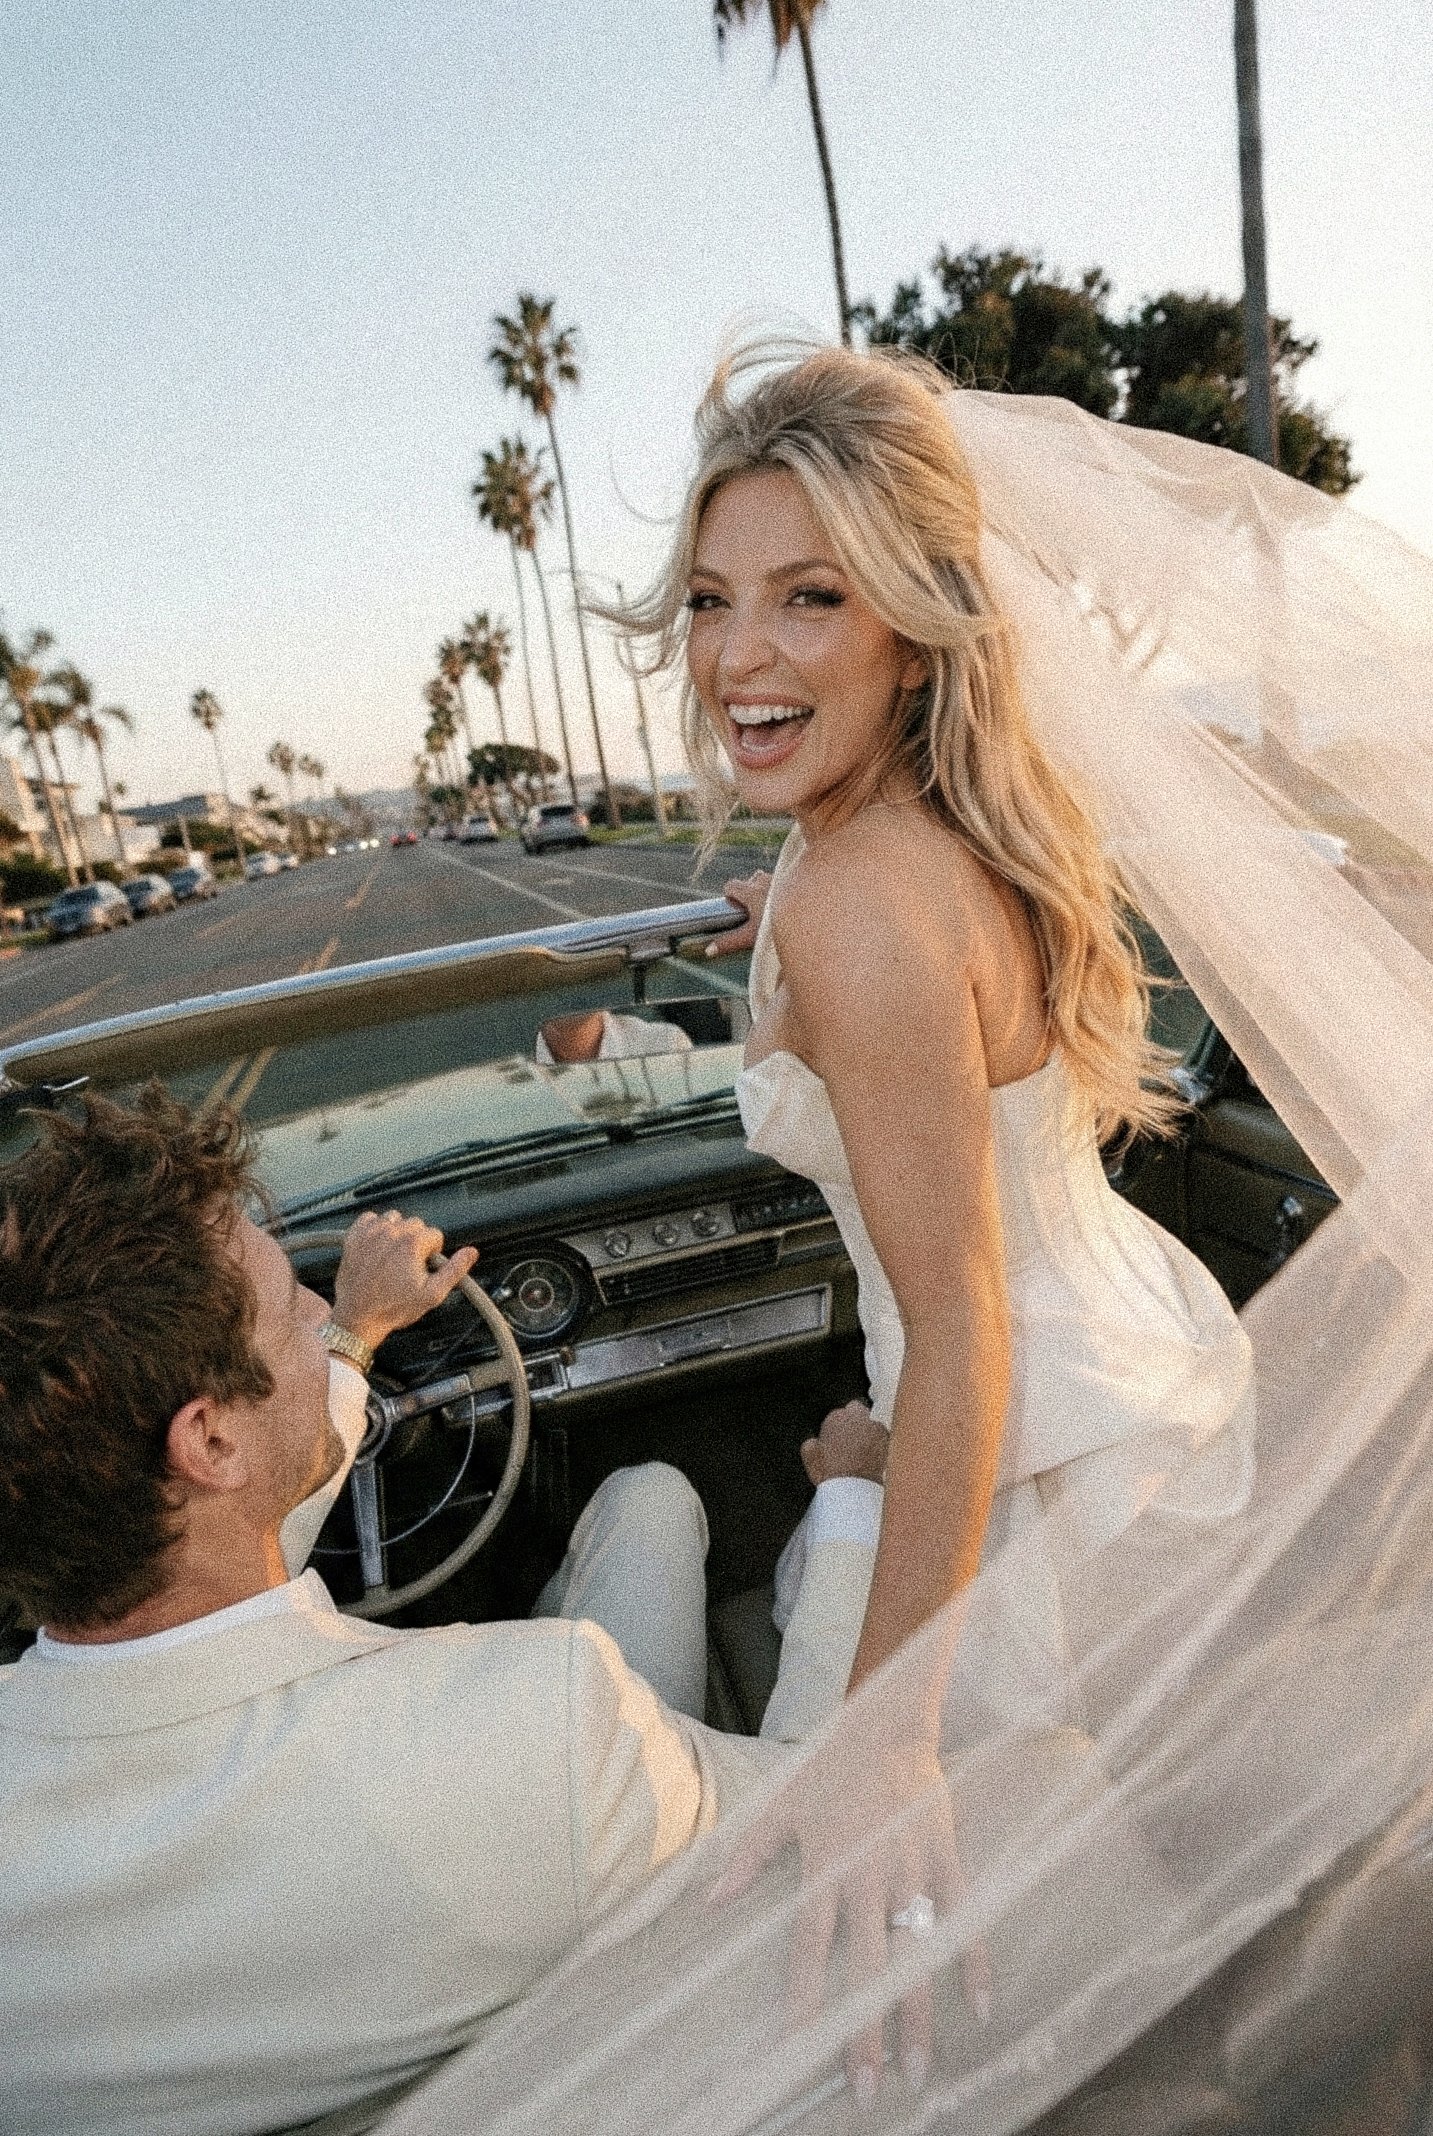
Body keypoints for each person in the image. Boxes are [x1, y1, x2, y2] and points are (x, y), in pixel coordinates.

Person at [609, 341, 1257, 2085]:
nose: (740, 654)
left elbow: (959, 1322)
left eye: (811, 597)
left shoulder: (857, 907)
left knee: (873, 1974)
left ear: (909, 623)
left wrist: (888, 1737)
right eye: (716, 598)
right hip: (1125, 1364)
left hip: (1025, 1449)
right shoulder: (957, 831)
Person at [0, 1089, 882, 2136]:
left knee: (643, 1499)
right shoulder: (535, 1721)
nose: (320, 1322)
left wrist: (362, 1337)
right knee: (654, 1499)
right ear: (210, 1443)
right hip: (617, 1950)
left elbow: (233, 1515)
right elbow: (830, 1789)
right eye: (297, 1313)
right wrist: (851, 1500)